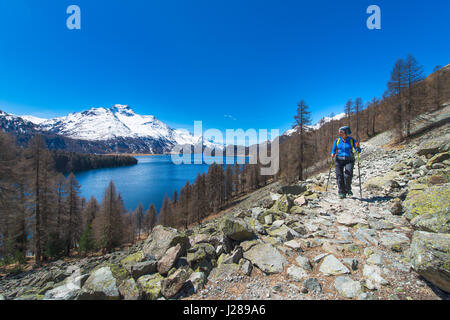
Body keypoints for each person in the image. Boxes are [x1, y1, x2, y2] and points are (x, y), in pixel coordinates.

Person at [330, 126, 361, 199]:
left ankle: (348, 188)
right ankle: (341, 192)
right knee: (339, 176)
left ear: (346, 133)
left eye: (341, 132)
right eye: (339, 132)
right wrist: (332, 153)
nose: (339, 133)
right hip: (339, 160)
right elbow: (333, 150)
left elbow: (358, 151)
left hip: (349, 160)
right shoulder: (337, 140)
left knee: (348, 176)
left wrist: (358, 147)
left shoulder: (351, 140)